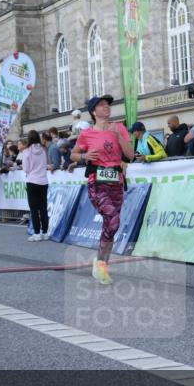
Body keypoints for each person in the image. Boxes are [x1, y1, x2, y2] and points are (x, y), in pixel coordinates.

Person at [71, 95, 134, 285]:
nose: (106, 107)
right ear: (93, 111)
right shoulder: (86, 134)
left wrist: (118, 136)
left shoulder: (119, 127)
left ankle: (102, 265)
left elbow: (130, 155)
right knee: (113, 220)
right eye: (102, 105)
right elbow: (73, 154)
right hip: (97, 182)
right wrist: (84, 156)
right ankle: (100, 263)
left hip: (116, 182)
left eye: (108, 104)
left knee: (111, 225)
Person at [21, 129, 50, 241]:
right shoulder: (43, 150)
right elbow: (46, 163)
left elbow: (26, 169)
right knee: (43, 208)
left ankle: (37, 233)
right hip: (43, 180)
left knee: (34, 209)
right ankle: (45, 232)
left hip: (32, 181)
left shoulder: (26, 151)